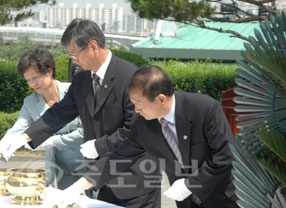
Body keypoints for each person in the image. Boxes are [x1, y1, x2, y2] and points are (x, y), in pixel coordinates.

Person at [0, 18, 162, 207]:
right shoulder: (82, 78)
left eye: (75, 54)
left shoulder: (131, 77)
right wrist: (26, 137)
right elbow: (60, 112)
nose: (73, 60)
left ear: (92, 46)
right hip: (101, 181)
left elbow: (135, 132)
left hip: (136, 182)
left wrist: (99, 146)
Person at [67, 65, 239, 208]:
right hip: (187, 203)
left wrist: (190, 184)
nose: (136, 110)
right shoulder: (144, 124)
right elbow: (118, 157)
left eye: (139, 104)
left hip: (223, 198)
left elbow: (224, 157)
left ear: (161, 99)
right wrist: (80, 185)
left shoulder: (204, 109)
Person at [0, 48, 84, 189]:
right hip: (60, 166)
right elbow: (16, 131)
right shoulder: (30, 103)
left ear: (49, 71)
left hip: (89, 162)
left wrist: (53, 141)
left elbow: (86, 130)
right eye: (28, 80)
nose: (33, 84)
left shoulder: (73, 91)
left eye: (35, 77)